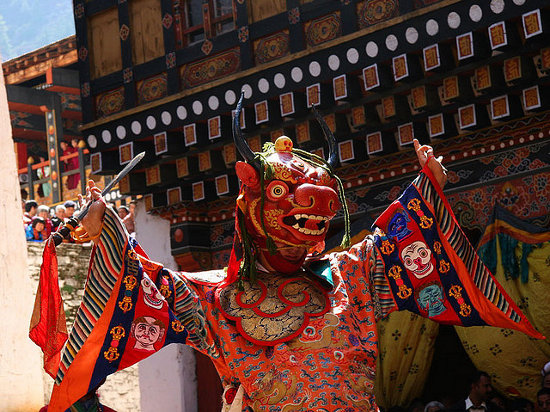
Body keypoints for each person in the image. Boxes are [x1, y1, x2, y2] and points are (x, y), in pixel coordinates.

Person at [48, 106, 542, 410]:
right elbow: (143, 280)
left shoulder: (355, 274)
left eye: (325, 197)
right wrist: (105, 227)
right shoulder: (213, 299)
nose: (314, 208)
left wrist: (426, 188)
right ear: (250, 194)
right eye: (285, 192)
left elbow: (398, 236)